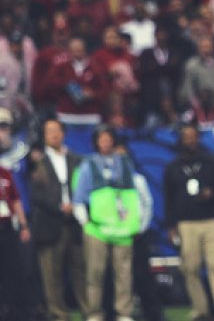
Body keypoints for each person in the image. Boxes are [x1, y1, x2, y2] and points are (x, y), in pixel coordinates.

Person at [72, 126, 153, 321]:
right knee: (95, 273)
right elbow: (79, 198)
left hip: (123, 229)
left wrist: (138, 223)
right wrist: (85, 223)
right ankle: (94, 313)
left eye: (108, 138)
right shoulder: (88, 165)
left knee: (124, 274)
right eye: (102, 139)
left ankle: (123, 313)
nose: (106, 142)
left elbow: (135, 196)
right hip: (97, 229)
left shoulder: (125, 164)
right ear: (96, 142)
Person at [164, 124, 214, 321]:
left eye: (192, 135)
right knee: (190, 268)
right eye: (185, 136)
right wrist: (171, 226)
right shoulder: (173, 167)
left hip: (211, 221)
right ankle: (200, 310)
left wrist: (212, 195)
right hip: (186, 224)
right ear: (180, 139)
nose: (189, 139)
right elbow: (168, 198)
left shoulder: (211, 162)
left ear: (198, 137)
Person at [28, 118, 88, 321]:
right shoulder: (37, 163)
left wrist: (75, 205)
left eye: (56, 130)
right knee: (51, 275)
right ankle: (59, 314)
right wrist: (58, 207)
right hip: (49, 223)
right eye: (49, 131)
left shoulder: (77, 160)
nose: (54, 134)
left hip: (75, 223)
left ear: (63, 133)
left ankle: (89, 312)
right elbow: (35, 194)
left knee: (81, 271)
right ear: (44, 136)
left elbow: (85, 187)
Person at [0, 156, 31, 320]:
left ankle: (11, 311)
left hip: (6, 229)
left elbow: (16, 198)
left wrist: (24, 224)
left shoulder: (5, 172)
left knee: (11, 271)